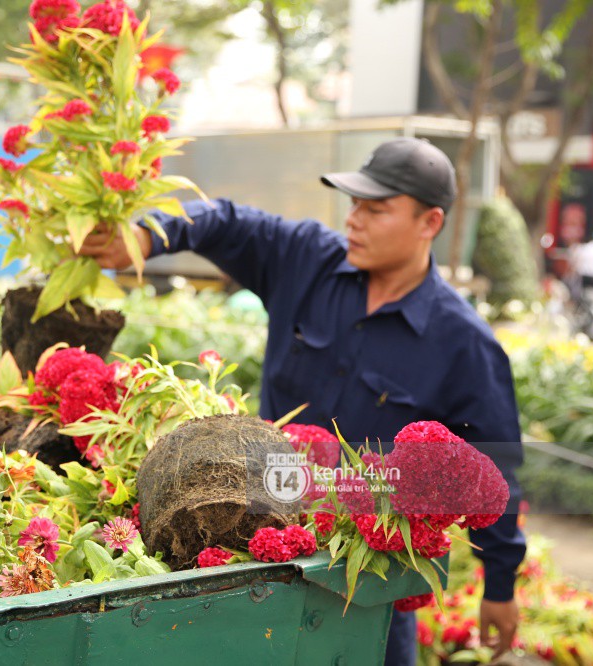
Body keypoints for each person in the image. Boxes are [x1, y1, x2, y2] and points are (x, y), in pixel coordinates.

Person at [80, 137, 527, 664]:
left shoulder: (463, 342)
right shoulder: (307, 259)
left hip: (364, 583)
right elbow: (226, 221)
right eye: (354, 204)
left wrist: (500, 585)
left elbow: (495, 467)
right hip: (254, 553)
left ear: (430, 222)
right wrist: (145, 237)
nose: (354, 220)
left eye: (375, 209)